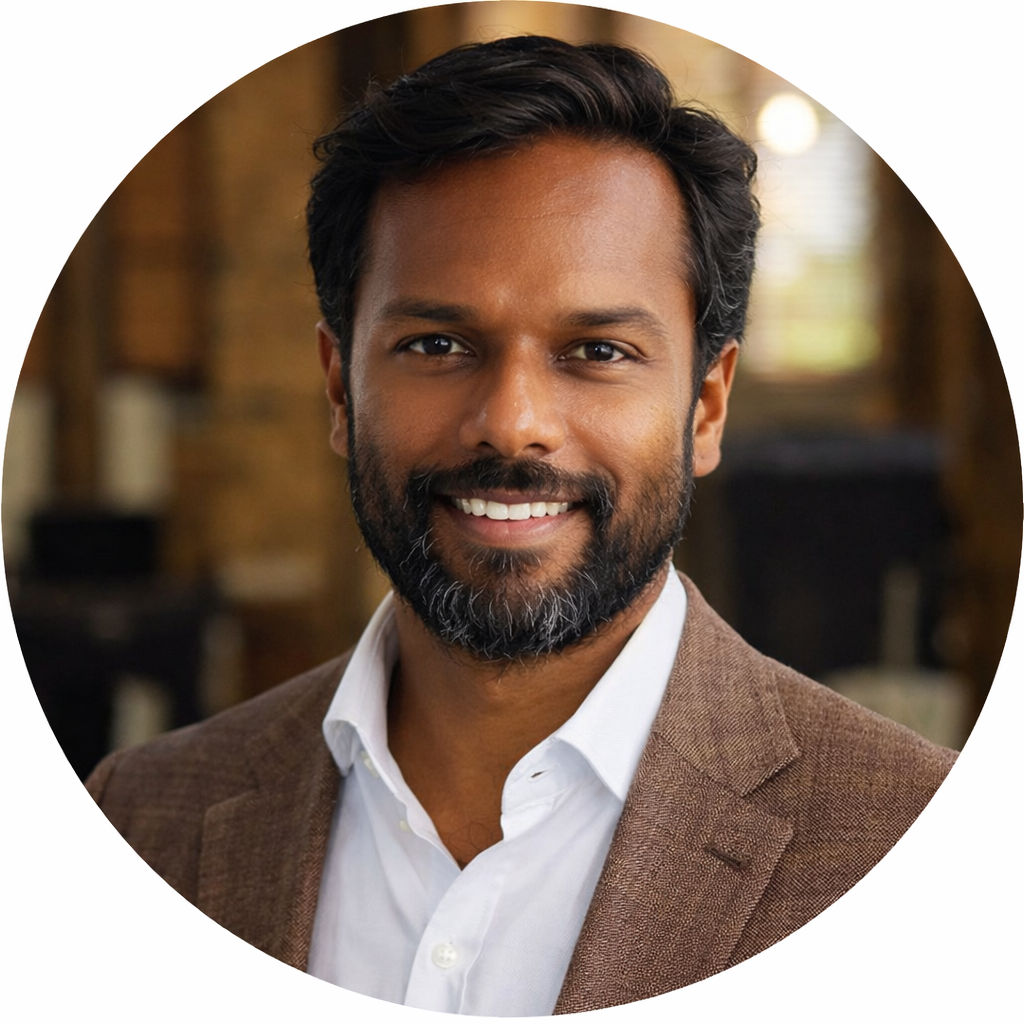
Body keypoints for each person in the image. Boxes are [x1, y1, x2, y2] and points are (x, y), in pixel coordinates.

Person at [86, 36, 956, 1016]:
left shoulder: (919, 841)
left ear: (706, 405)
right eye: (437, 343)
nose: (511, 420)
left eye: (596, 349)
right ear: (341, 386)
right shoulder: (142, 822)